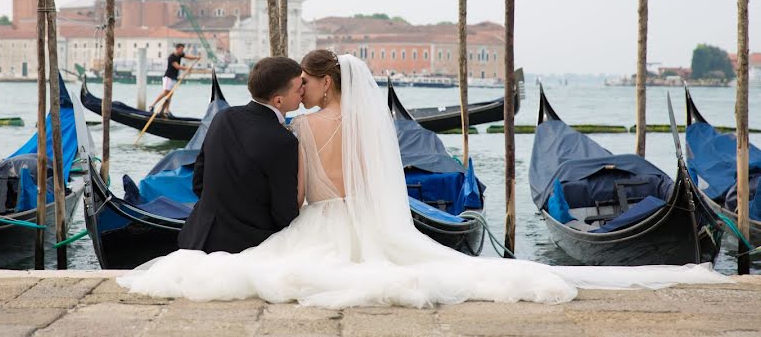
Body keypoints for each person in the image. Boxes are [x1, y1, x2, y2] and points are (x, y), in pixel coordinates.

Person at [119, 50, 728, 308]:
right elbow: (362, 182)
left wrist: (296, 213)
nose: (300, 89)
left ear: (319, 83)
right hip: (366, 220)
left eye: (306, 81)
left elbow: (301, 195)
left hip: (314, 223)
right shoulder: (366, 126)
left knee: (277, 271)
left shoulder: (294, 130)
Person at [177, 56, 305, 253]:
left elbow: (198, 182)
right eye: (299, 89)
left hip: (199, 236)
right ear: (278, 100)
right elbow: (284, 214)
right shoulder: (284, 141)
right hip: (247, 245)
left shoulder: (223, 117)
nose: (303, 91)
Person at [151, 43, 200, 117]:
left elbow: (188, 57)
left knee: (170, 95)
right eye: (181, 49)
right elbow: (177, 66)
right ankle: (152, 105)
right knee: (165, 93)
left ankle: (166, 110)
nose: (182, 51)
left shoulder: (180, 55)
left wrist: (196, 57)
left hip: (174, 78)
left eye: (183, 49)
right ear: (177, 49)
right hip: (168, 77)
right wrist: (187, 68)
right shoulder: (172, 57)